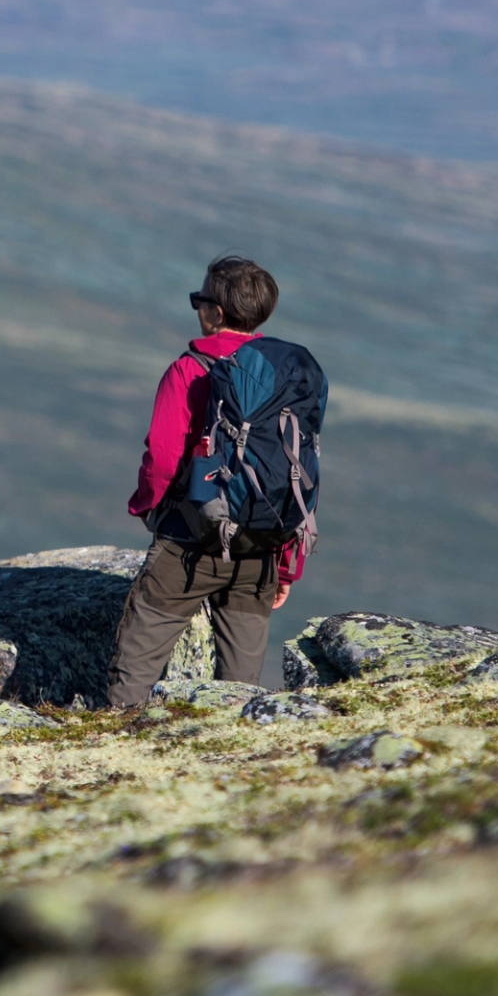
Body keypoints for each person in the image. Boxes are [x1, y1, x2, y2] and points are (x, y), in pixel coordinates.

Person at [106, 255, 317, 710]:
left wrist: (148, 507)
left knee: (136, 663)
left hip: (189, 542)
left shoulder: (190, 370)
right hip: (260, 547)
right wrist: (286, 565)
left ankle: (112, 752)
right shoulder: (284, 377)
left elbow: (162, 458)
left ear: (216, 314)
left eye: (200, 300)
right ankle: (232, 760)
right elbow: (295, 472)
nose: (197, 308)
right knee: (241, 686)